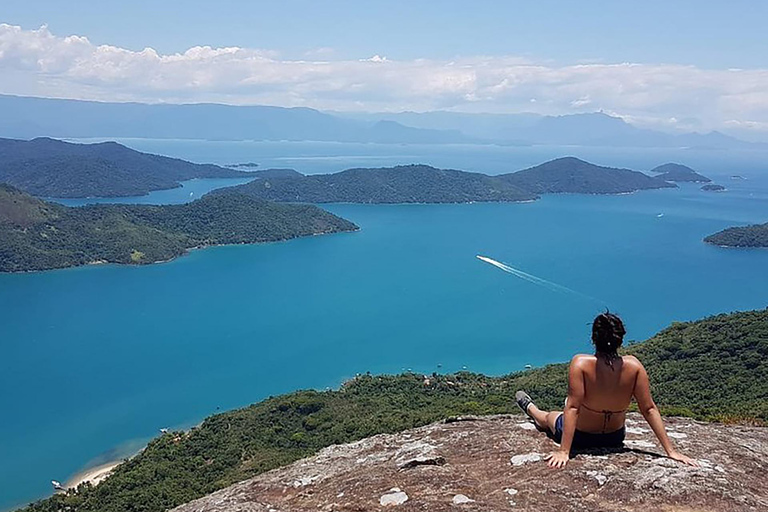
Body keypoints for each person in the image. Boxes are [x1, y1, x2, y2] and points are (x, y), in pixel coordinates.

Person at [515, 312, 698, 469]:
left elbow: (573, 408)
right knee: (565, 408)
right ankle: (532, 409)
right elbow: (649, 409)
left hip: (581, 437)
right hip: (614, 437)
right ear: (621, 338)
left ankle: (530, 408)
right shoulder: (634, 366)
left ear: (594, 338)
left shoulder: (581, 363)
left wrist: (564, 451)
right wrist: (671, 451)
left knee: (549, 417)